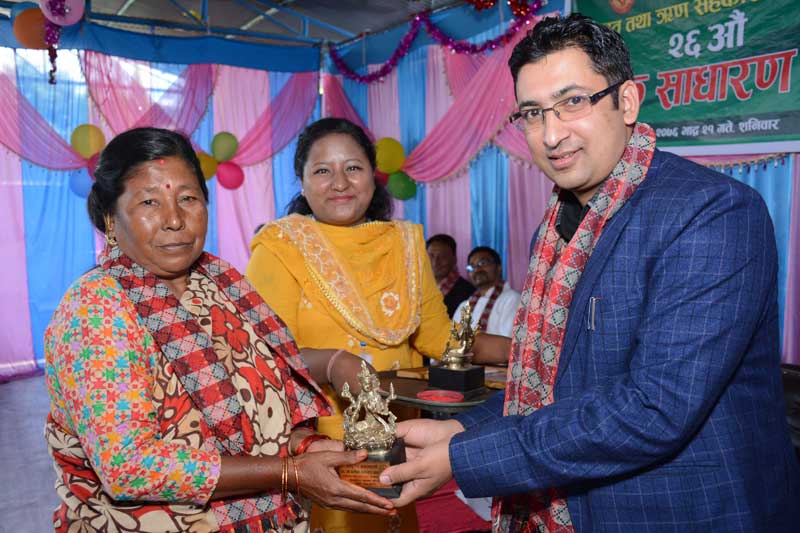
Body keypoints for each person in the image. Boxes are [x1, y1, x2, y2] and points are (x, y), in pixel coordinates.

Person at [379, 13, 800, 531]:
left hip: (682, 513)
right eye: (533, 113)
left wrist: (465, 456)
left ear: (627, 102)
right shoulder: (555, 230)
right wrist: (461, 430)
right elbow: (553, 385)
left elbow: (656, 407)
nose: (551, 134)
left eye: (573, 101)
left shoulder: (709, 212)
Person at [44, 127, 395, 533]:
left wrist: (321, 451)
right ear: (110, 217)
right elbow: (129, 467)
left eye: (188, 199)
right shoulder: (96, 310)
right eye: (149, 202)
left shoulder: (219, 283)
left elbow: (262, 404)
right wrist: (289, 473)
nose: (174, 220)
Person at [246, 117, 462, 532]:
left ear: (373, 176)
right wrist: (333, 362)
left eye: (353, 167)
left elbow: (439, 338)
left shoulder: (403, 244)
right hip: (319, 446)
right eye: (322, 170)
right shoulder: (281, 247)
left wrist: (524, 345)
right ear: (302, 182)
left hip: (396, 436)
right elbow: (261, 356)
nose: (340, 182)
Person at [453, 246, 520, 338]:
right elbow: (454, 339)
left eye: (482, 263)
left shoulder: (512, 299)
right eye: (471, 266)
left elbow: (509, 341)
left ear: (499, 267)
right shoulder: (464, 305)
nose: (477, 269)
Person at [427, 233, 476, 317]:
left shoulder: (468, 293)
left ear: (454, 259)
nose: (435, 262)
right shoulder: (417, 288)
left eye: (443, 256)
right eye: (431, 256)